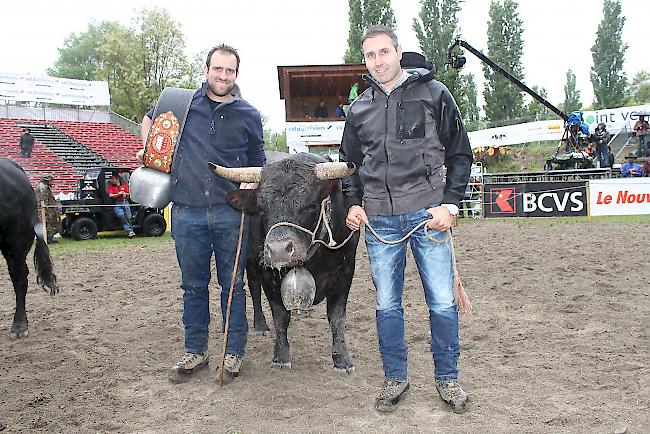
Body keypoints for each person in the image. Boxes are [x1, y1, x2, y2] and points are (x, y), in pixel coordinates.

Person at [340, 25, 473, 414]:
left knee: (443, 302)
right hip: (380, 223)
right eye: (370, 55)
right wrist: (353, 202)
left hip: (428, 216)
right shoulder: (359, 109)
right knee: (386, 304)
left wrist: (450, 205)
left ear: (398, 52)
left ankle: (448, 380)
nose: (378, 61)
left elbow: (459, 152)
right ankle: (395, 378)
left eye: (384, 52)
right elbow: (349, 164)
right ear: (364, 60)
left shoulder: (434, 93)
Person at [138, 44, 265, 384]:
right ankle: (196, 350)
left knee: (233, 286)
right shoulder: (181, 104)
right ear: (207, 69)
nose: (223, 76)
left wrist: (252, 186)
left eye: (230, 71)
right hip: (187, 213)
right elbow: (150, 120)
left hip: (230, 214)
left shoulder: (249, 113)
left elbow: (258, 158)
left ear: (237, 74)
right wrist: (149, 149)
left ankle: (233, 352)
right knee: (193, 286)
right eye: (217, 69)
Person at [35, 173, 61, 243]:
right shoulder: (43, 188)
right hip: (46, 210)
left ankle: (48, 238)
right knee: (49, 224)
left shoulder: (44, 187)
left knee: (48, 224)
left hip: (47, 209)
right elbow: (44, 201)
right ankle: (48, 239)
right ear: (46, 180)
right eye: (50, 179)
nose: (51, 181)